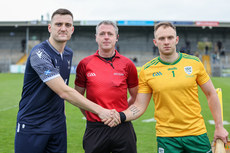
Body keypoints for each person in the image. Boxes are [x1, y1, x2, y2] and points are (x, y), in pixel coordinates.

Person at [15, 9, 119, 153]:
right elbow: (63, 91)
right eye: (58, 24)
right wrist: (101, 111)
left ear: (72, 29)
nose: (63, 28)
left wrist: (61, 124)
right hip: (33, 126)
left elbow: (60, 96)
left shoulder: (68, 53)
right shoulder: (39, 53)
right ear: (50, 28)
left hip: (57, 128)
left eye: (67, 25)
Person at [118, 22, 229, 153]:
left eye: (170, 37)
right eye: (161, 38)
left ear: (176, 40)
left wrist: (219, 126)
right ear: (155, 42)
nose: (166, 42)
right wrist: (120, 116)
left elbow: (211, 94)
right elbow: (140, 106)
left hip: (196, 134)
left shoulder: (194, 63)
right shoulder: (147, 70)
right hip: (167, 138)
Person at [74, 20, 138, 153]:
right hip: (95, 128)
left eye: (110, 33)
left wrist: (121, 114)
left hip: (122, 127)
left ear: (116, 37)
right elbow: (77, 97)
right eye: (102, 34)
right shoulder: (85, 64)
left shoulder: (128, 64)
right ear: (96, 37)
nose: (106, 37)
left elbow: (135, 96)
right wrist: (92, 115)